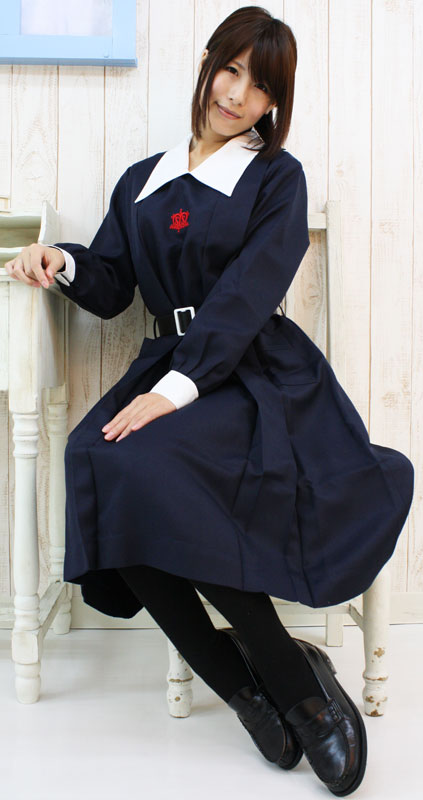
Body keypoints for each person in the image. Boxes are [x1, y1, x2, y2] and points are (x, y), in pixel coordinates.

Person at [5, 5, 414, 796]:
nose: (236, 96)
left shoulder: (275, 177)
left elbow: (248, 296)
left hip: (253, 370)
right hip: (168, 362)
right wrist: (60, 261)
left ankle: (294, 687)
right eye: (230, 71)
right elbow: (112, 286)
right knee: (97, 457)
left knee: (152, 470)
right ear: (206, 63)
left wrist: (174, 392)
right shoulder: (142, 181)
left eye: (259, 88)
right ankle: (242, 687)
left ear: (273, 103)